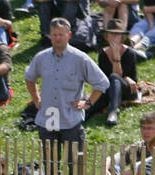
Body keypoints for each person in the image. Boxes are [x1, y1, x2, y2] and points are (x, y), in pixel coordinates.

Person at [24, 17, 107, 147]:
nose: (57, 38)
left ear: (69, 35)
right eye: (54, 35)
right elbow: (29, 78)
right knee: (50, 163)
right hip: (47, 119)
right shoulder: (41, 57)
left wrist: (88, 102)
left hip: (70, 120)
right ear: (50, 36)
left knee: (74, 162)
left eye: (61, 35)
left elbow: (102, 82)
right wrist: (36, 99)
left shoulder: (80, 58)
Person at [89, 21, 137, 127]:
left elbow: (117, 75)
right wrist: (124, 77)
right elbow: (104, 78)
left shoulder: (129, 53)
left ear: (122, 36)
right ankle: (83, 116)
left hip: (128, 90)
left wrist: (116, 54)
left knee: (115, 77)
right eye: (112, 33)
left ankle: (113, 111)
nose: (114, 37)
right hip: (109, 89)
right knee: (97, 101)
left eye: (117, 34)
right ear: (107, 36)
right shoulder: (103, 54)